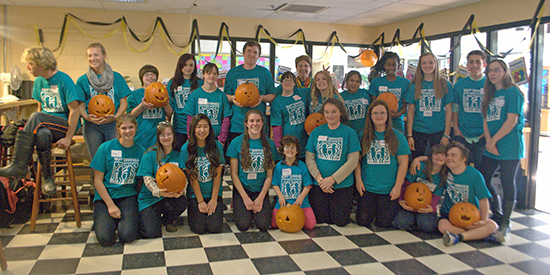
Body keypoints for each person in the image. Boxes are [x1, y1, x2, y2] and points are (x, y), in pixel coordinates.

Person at [0, 47, 81, 196]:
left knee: (36, 117)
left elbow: (75, 111)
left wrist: (69, 137)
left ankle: (19, 164)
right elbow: (40, 107)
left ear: (41, 63)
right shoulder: (38, 81)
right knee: (42, 134)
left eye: (30, 64)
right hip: (44, 124)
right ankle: (47, 178)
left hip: (63, 125)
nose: (27, 68)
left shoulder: (64, 80)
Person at [478, 59, 525, 235]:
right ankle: (496, 214)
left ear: (505, 72)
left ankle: (506, 221)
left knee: (507, 183)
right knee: (483, 178)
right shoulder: (489, 94)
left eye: (497, 70)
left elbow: (511, 120)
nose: (492, 73)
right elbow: (486, 120)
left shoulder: (512, 92)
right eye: (490, 70)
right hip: (492, 147)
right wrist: (489, 141)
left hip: (509, 147)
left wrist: (494, 140)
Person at [90, 114, 145, 246]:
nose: (128, 131)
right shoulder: (105, 148)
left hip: (127, 196)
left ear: (136, 128)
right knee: (105, 239)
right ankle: (105, 218)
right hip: (105, 197)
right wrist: (110, 205)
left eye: (131, 127)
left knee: (128, 236)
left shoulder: (140, 151)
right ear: (118, 129)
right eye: (124, 128)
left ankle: (118, 220)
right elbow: (97, 181)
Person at [354, 100, 410, 228]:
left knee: (384, 223)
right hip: (368, 187)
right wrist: (358, 180)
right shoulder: (363, 135)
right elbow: (357, 160)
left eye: (382, 113)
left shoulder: (397, 136)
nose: (379, 116)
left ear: (387, 115)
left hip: (388, 189)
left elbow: (403, 162)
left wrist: (397, 186)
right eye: (375, 113)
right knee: (363, 220)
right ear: (370, 116)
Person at [306, 98, 360, 226]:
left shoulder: (349, 133)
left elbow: (353, 161)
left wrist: (333, 179)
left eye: (334, 111)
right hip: (320, 184)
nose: (330, 115)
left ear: (341, 112)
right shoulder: (316, 132)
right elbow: (309, 158)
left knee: (340, 222)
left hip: (342, 185)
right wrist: (320, 180)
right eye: (327, 112)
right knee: (321, 220)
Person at [438, 142, 504, 246]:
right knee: (442, 226)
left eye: (453, 155)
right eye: (447, 155)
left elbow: (483, 199)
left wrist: (483, 220)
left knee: (492, 225)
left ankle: (459, 237)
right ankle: (481, 236)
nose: (449, 158)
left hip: (472, 215)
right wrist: (417, 159)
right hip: (449, 214)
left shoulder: (474, 175)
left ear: (463, 159)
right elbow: (432, 160)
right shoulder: (445, 171)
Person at [226, 109, 279, 232]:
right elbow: (233, 174)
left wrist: (261, 197)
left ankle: (262, 205)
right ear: (246, 123)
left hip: (260, 190)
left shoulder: (269, 144)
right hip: (243, 190)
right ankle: (242, 207)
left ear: (262, 123)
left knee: (263, 225)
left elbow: (269, 175)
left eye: (258, 121)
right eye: (251, 121)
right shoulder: (236, 142)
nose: (255, 124)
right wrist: (245, 197)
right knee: (243, 225)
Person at [77, 43, 132, 159]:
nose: (93, 59)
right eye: (90, 56)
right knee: (96, 158)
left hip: (113, 124)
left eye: (96, 55)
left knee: (115, 157)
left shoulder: (116, 77)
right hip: (92, 126)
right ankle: (96, 178)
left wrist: (116, 117)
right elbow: (80, 105)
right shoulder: (82, 80)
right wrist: (87, 117)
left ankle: (113, 178)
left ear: (104, 56)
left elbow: (123, 102)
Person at [137, 121, 186, 238]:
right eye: (162, 135)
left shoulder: (179, 155)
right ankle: (150, 216)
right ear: (158, 137)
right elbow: (147, 179)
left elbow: (183, 177)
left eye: (169, 134)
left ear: (174, 136)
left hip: (169, 196)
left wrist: (181, 191)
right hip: (150, 197)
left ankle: (167, 220)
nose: (166, 137)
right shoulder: (149, 154)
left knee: (182, 201)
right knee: (151, 233)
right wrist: (158, 191)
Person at [224, 40, 275, 146]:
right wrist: (233, 98)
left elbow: (272, 95)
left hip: (259, 124)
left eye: (255, 52)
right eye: (249, 51)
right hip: (238, 124)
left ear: (258, 56)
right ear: (243, 53)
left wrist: (262, 98)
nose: (251, 54)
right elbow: (225, 95)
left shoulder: (265, 73)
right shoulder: (233, 73)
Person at [405, 52, 453, 160]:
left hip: (438, 131)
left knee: (438, 162)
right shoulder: (414, 86)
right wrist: (409, 135)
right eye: (424, 63)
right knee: (417, 161)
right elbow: (411, 112)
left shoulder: (445, 84)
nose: (428, 66)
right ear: (420, 66)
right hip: (418, 131)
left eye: (431, 62)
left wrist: (446, 135)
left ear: (436, 64)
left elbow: (449, 111)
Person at [182, 114, 225, 234]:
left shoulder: (217, 147)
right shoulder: (186, 148)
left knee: (215, 228)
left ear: (210, 129)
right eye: (198, 126)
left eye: (205, 126)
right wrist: (200, 201)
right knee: (198, 228)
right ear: (193, 129)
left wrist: (214, 199)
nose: (202, 130)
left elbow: (217, 176)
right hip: (195, 195)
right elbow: (192, 178)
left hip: (213, 192)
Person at [393, 144, 446, 232]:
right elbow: (405, 185)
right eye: (436, 154)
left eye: (442, 155)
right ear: (430, 156)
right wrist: (401, 200)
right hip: (409, 203)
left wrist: (432, 208)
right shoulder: (419, 167)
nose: (439, 157)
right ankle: (411, 219)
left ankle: (416, 220)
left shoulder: (442, 177)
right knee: (401, 223)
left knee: (428, 226)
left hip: (425, 206)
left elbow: (437, 197)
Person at [271, 135, 316, 230]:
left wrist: (301, 197)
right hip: (284, 202)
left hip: (300, 202)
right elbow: (275, 184)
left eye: (292, 148)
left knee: (310, 225)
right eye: (287, 148)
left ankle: (297, 220)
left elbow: (307, 185)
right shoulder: (279, 166)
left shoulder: (302, 166)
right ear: (283, 150)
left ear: (297, 151)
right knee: (274, 225)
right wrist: (280, 196)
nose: (290, 150)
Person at [452, 50, 487, 169]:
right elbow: (455, 108)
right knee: (460, 168)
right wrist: (456, 128)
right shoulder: (459, 85)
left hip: (484, 136)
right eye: (471, 62)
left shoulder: (490, 84)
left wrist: (488, 132)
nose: (475, 65)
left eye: (478, 62)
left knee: (481, 172)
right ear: (467, 66)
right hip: (462, 134)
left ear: (484, 65)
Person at [183, 63, 232, 145]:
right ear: (203, 75)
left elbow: (226, 119)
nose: (211, 76)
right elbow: (190, 119)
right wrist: (190, 137)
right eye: (209, 73)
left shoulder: (222, 96)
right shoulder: (195, 95)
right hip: (198, 138)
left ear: (217, 76)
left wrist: (222, 140)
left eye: (214, 73)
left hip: (216, 139)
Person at [128, 65, 173, 149]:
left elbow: (169, 114)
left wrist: (167, 104)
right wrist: (142, 106)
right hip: (141, 136)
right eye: (147, 75)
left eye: (152, 74)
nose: (150, 77)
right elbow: (131, 116)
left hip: (159, 137)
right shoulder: (134, 95)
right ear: (142, 78)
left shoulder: (162, 92)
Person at [167, 53, 203, 149]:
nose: (188, 68)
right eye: (185, 65)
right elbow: (169, 106)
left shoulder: (200, 83)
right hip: (179, 126)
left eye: (191, 65)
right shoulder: (172, 83)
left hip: (196, 126)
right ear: (180, 65)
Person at [368, 51, 411, 133]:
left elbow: (406, 106)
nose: (391, 67)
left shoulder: (405, 83)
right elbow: (373, 104)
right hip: (378, 122)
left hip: (397, 123)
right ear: (384, 65)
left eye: (394, 64)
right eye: (388, 64)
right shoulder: (376, 82)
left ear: (398, 66)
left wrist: (397, 115)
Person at [270, 72, 308, 158]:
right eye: (285, 80)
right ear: (281, 83)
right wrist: (278, 145)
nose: (288, 82)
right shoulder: (277, 102)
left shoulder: (301, 93)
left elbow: (316, 88)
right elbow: (276, 125)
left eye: (291, 80)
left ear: (295, 83)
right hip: (288, 143)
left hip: (303, 141)